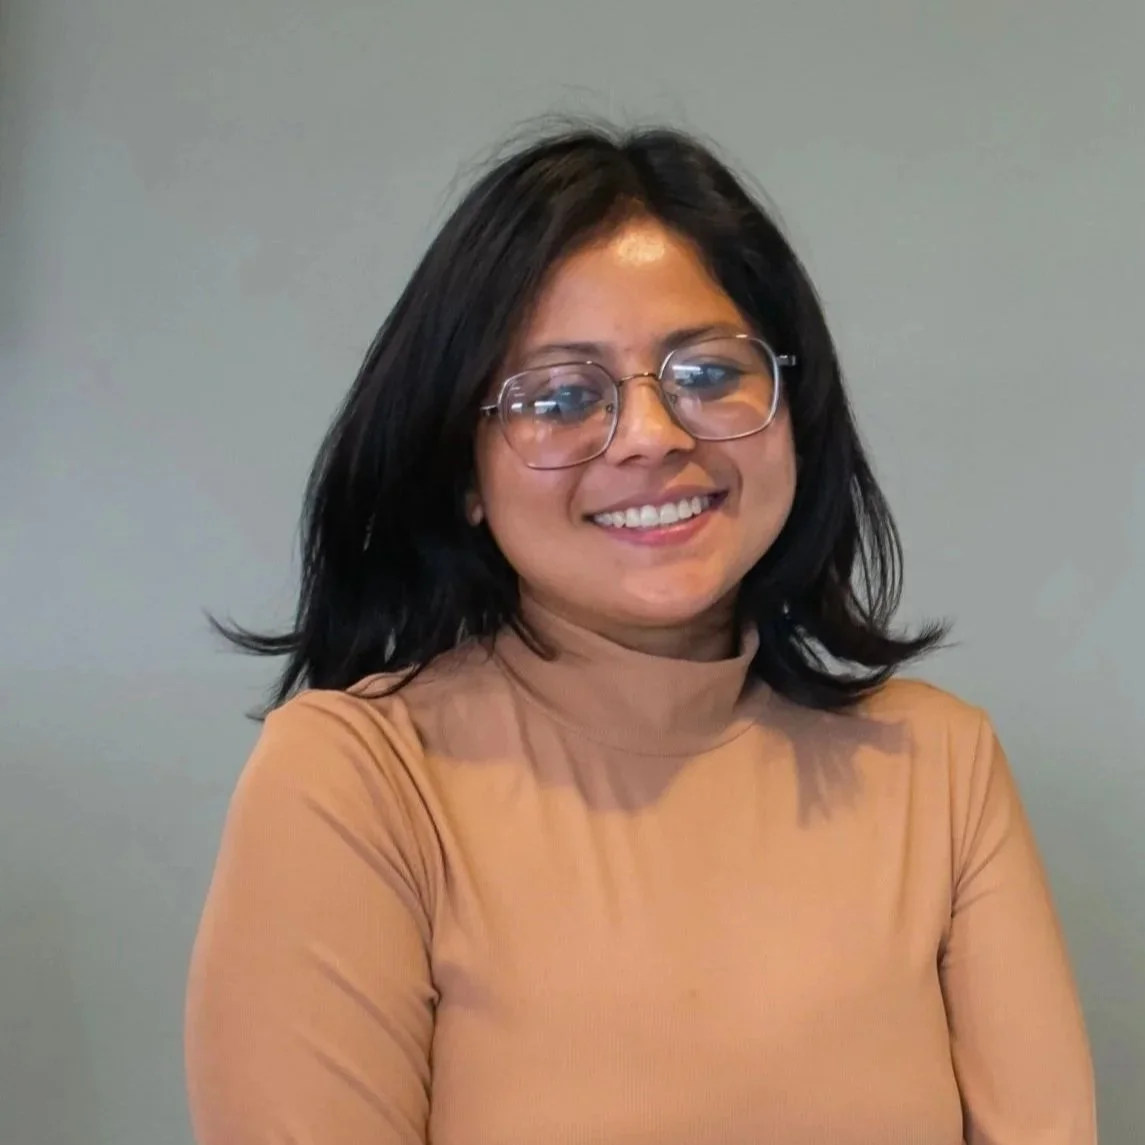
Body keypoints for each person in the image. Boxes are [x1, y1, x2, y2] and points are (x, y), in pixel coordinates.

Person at [184, 123, 1096, 1145]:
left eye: (708, 375)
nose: (653, 435)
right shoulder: (355, 779)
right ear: (461, 473)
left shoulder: (938, 764)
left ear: (793, 409)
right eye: (562, 397)